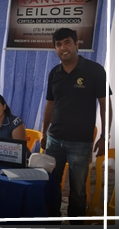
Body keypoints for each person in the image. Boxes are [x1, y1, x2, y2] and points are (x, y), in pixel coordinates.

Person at [40, 27, 107, 217]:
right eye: (58, 44)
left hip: (80, 143)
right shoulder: (54, 73)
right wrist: (44, 133)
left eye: (67, 42)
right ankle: (51, 219)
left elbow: (105, 105)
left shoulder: (94, 70)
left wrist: (104, 136)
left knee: (77, 190)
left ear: (77, 44)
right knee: (50, 184)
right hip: (54, 140)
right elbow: (50, 105)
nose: (63, 48)